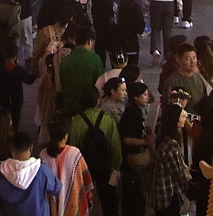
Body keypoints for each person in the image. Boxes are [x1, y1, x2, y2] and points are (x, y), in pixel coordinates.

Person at [68, 88, 121, 216]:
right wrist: (115, 167)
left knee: (84, 201)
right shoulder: (108, 118)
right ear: (98, 101)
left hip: (86, 168)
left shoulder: (76, 121)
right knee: (109, 202)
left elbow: (74, 147)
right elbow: (115, 145)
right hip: (105, 166)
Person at [0, 132, 63, 216]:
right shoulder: (41, 170)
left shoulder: (0, 171)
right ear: (31, 148)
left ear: (11, 148)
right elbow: (56, 188)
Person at [40, 120, 94, 216]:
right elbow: (86, 178)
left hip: (50, 205)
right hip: (73, 202)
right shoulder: (75, 154)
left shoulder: (43, 155)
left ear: (49, 136)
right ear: (66, 136)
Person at [147, 104, 190, 216]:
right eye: (182, 116)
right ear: (174, 119)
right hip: (167, 196)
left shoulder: (163, 137)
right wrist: (186, 183)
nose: (185, 119)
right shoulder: (171, 144)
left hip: (160, 194)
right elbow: (178, 173)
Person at [119, 82, 154, 216]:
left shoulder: (135, 111)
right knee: (136, 195)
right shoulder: (132, 114)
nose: (147, 97)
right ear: (135, 97)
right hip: (132, 160)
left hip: (131, 161)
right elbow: (127, 139)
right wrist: (145, 141)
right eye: (144, 95)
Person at [59, 27, 105, 117]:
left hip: (70, 105)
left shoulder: (65, 60)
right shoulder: (95, 59)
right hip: (89, 107)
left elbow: (62, 84)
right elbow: (100, 83)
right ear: (89, 41)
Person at [0, 41, 37, 132]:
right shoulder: (18, 70)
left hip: (3, 98)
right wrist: (36, 73)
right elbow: (29, 80)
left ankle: (5, 134)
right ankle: (14, 133)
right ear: (16, 56)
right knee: (16, 119)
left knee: (4, 118)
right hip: (16, 99)